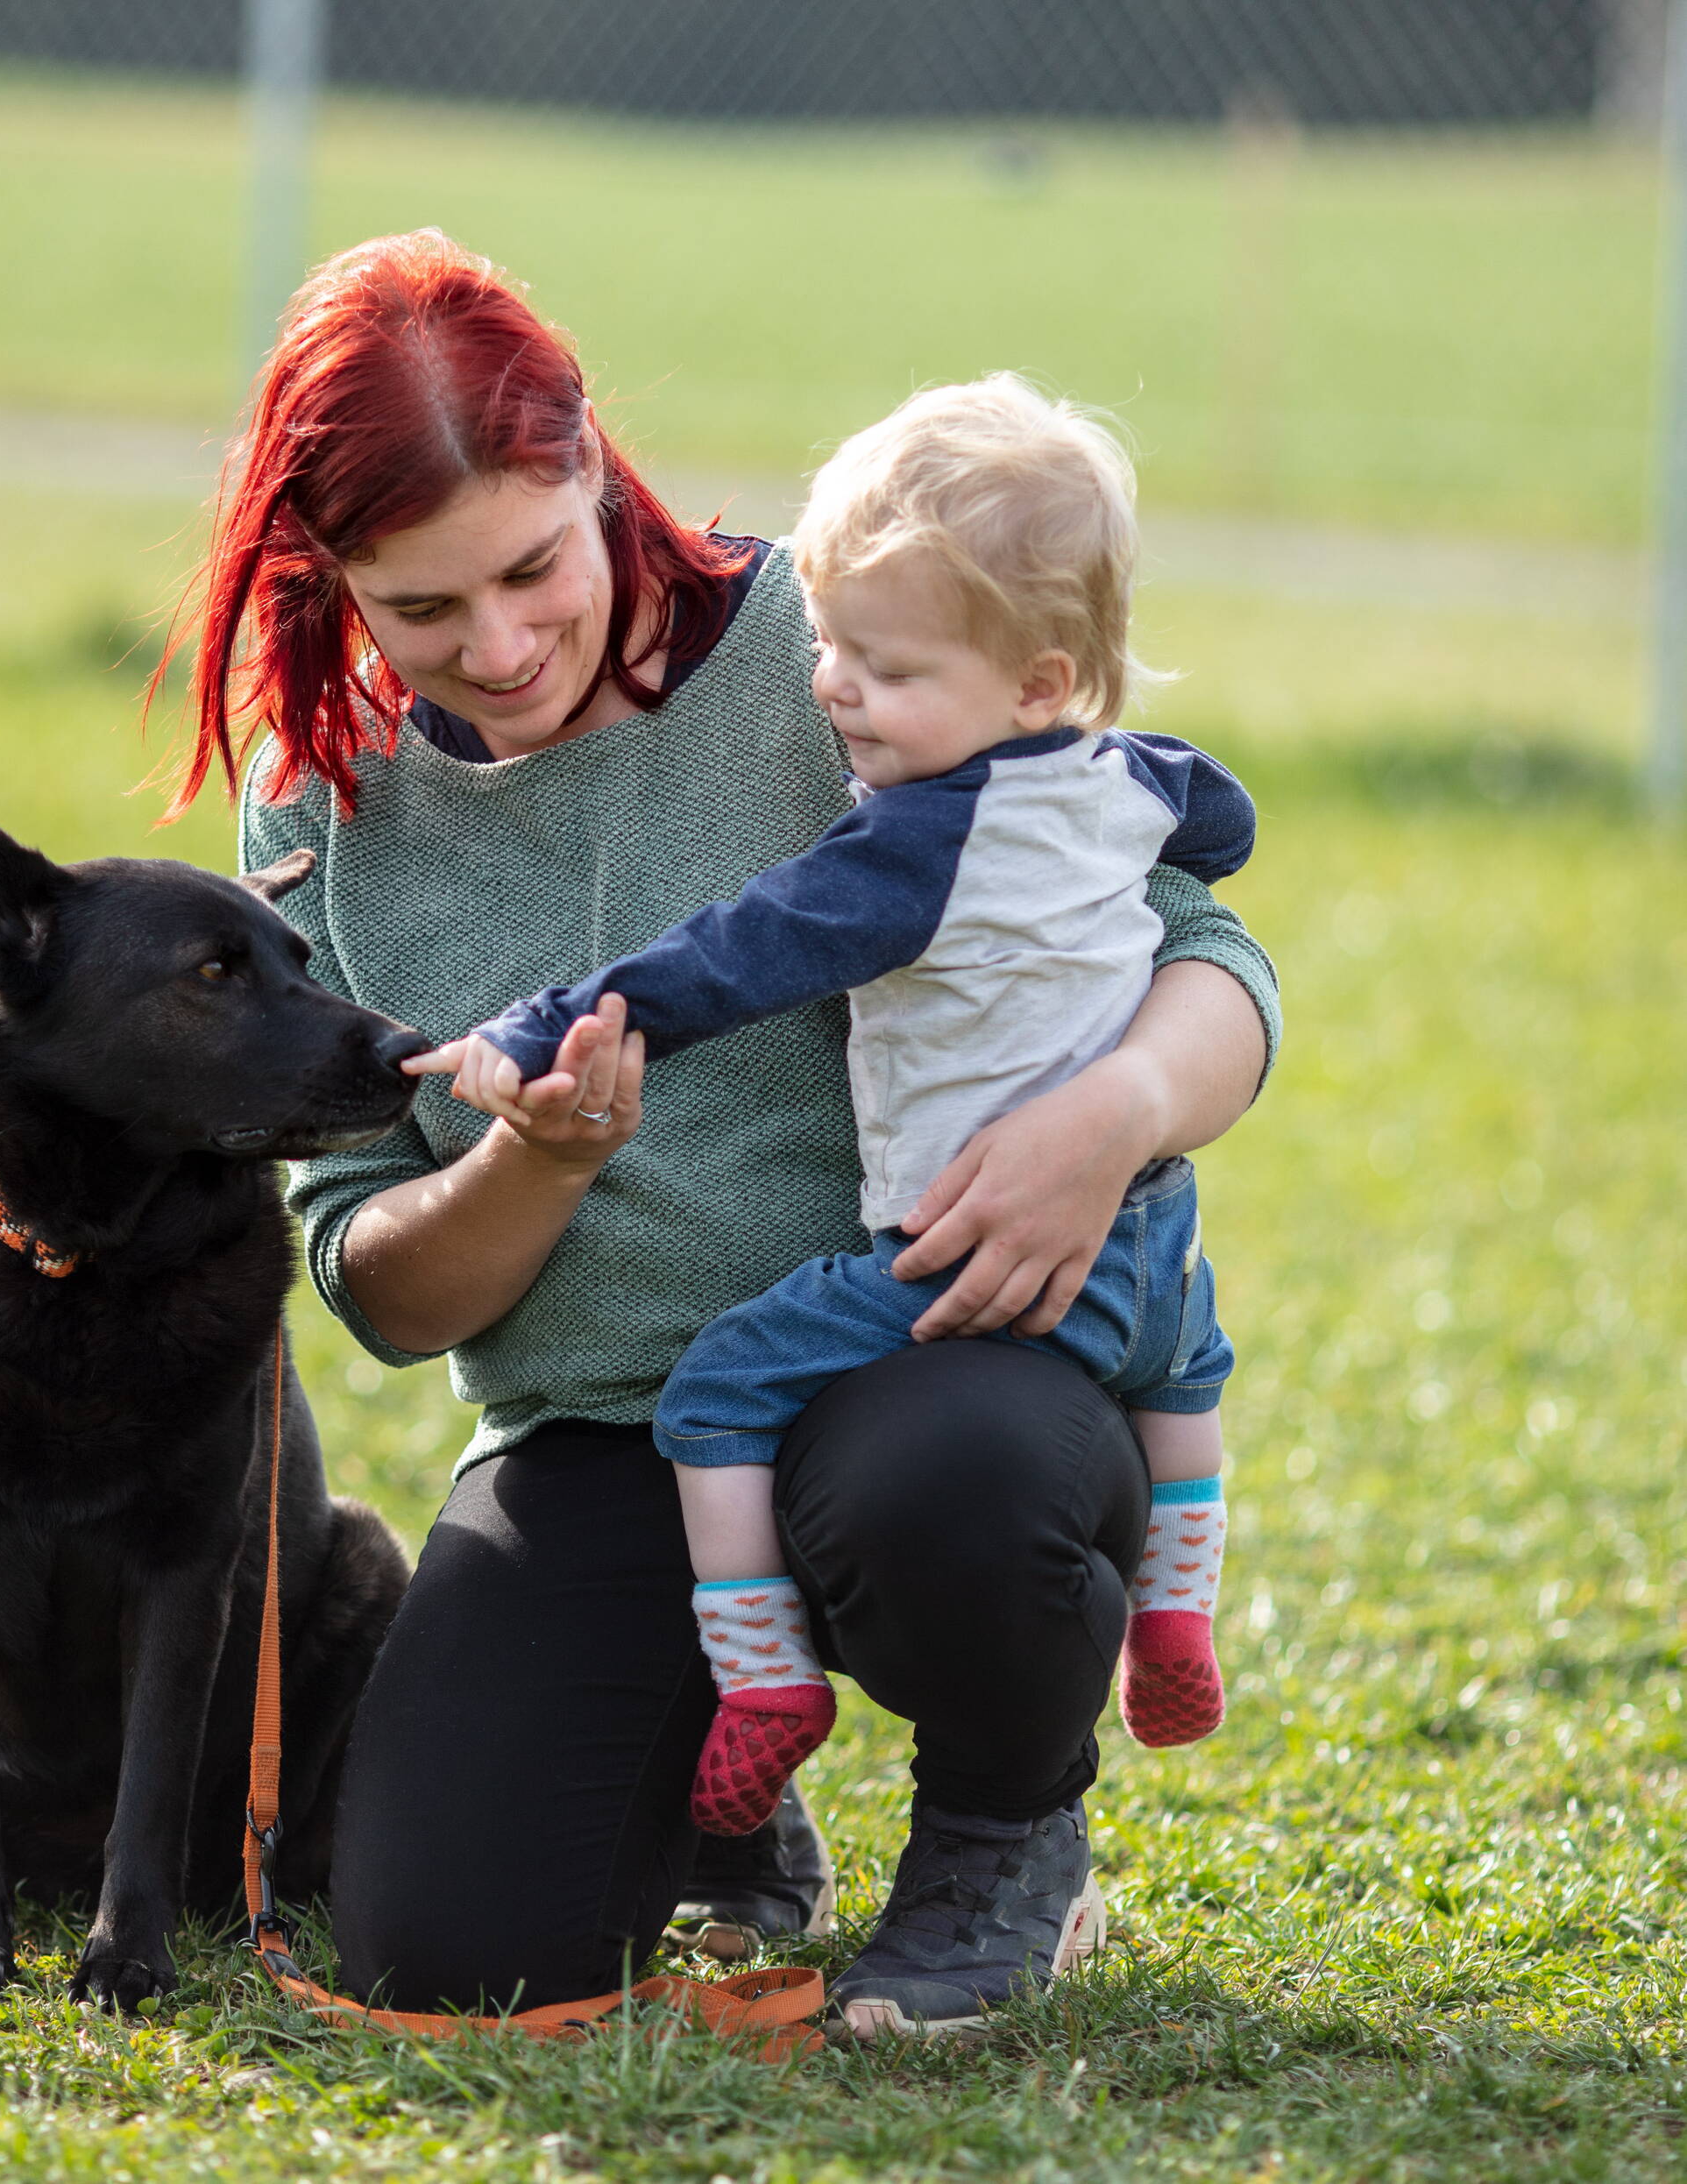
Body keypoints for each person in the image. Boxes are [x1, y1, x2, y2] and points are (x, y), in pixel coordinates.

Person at [186, 230, 1279, 2039]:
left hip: (925, 1362)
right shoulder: (316, 798)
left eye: (533, 567)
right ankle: (725, 1781)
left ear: (596, 461)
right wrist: (533, 1161)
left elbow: (1206, 953)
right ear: (338, 582)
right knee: (449, 1948)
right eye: (423, 611)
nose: (502, 643)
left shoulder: (840, 643)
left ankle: (1005, 1833)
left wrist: (1116, 1112)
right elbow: (374, 1282)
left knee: (960, 1485)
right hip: (617, 1442)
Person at [407, 375, 1242, 1847]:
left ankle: (802, 1706)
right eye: (829, 649)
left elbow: (736, 953)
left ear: (1038, 684)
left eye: (882, 669)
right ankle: (1176, 1621)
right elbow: (1218, 825)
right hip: (1162, 1258)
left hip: (970, 1286)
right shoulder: (1130, 772)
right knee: (1189, 1383)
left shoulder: (910, 833)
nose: (838, 688)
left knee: (735, 1397)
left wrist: (547, 1028)